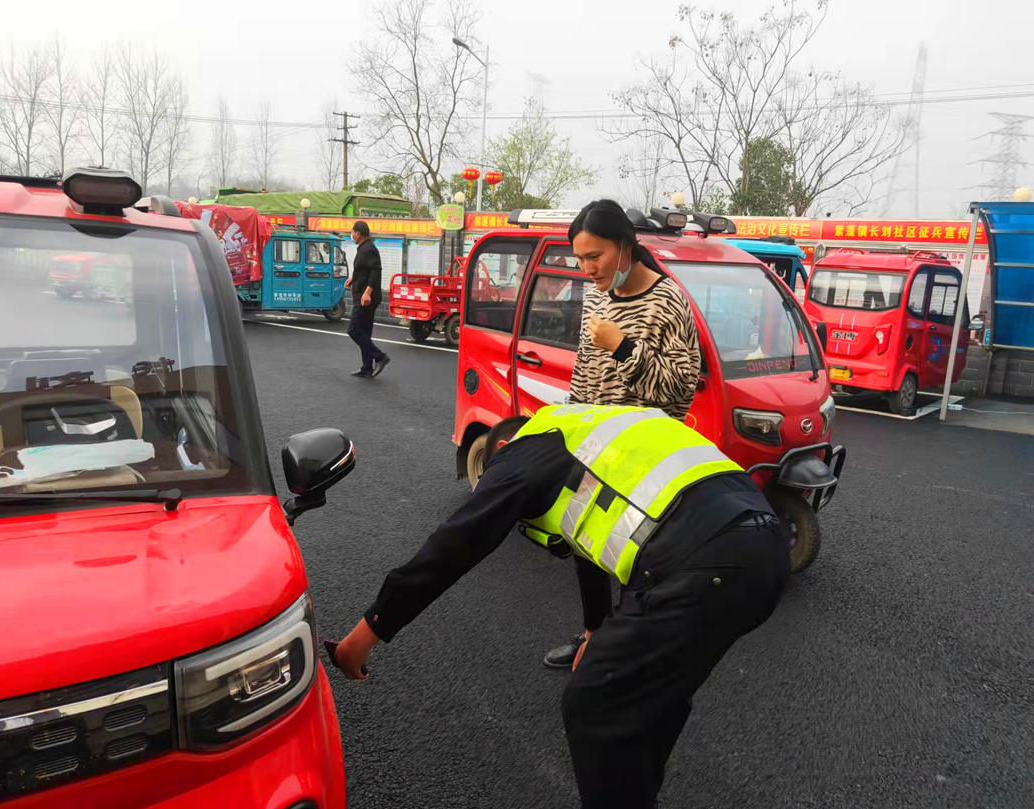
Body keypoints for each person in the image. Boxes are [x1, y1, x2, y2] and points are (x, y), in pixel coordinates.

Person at [330, 403, 788, 809]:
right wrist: (595, 629)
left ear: (504, 445)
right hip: (762, 547)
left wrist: (367, 632)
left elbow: (456, 543)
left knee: (594, 703)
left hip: (703, 561)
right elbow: (586, 541)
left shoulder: (526, 450)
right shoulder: (584, 432)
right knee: (651, 691)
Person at [544, 199, 703, 670]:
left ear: (627, 246)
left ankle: (633, 651)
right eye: (580, 259)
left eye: (595, 257)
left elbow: (679, 391)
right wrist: (569, 431)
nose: (587, 269)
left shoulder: (667, 300)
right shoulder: (595, 295)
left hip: (644, 456)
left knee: (639, 559)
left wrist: (623, 346)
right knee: (586, 547)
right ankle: (594, 636)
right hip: (595, 448)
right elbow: (585, 371)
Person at [345, 221, 390, 378]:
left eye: (352, 232)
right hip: (362, 294)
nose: (351, 235)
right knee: (364, 331)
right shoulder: (364, 248)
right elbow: (365, 269)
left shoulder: (368, 248)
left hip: (366, 298)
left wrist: (367, 293)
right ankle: (367, 367)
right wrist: (353, 278)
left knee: (354, 329)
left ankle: (380, 357)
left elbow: (376, 271)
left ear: (358, 234)